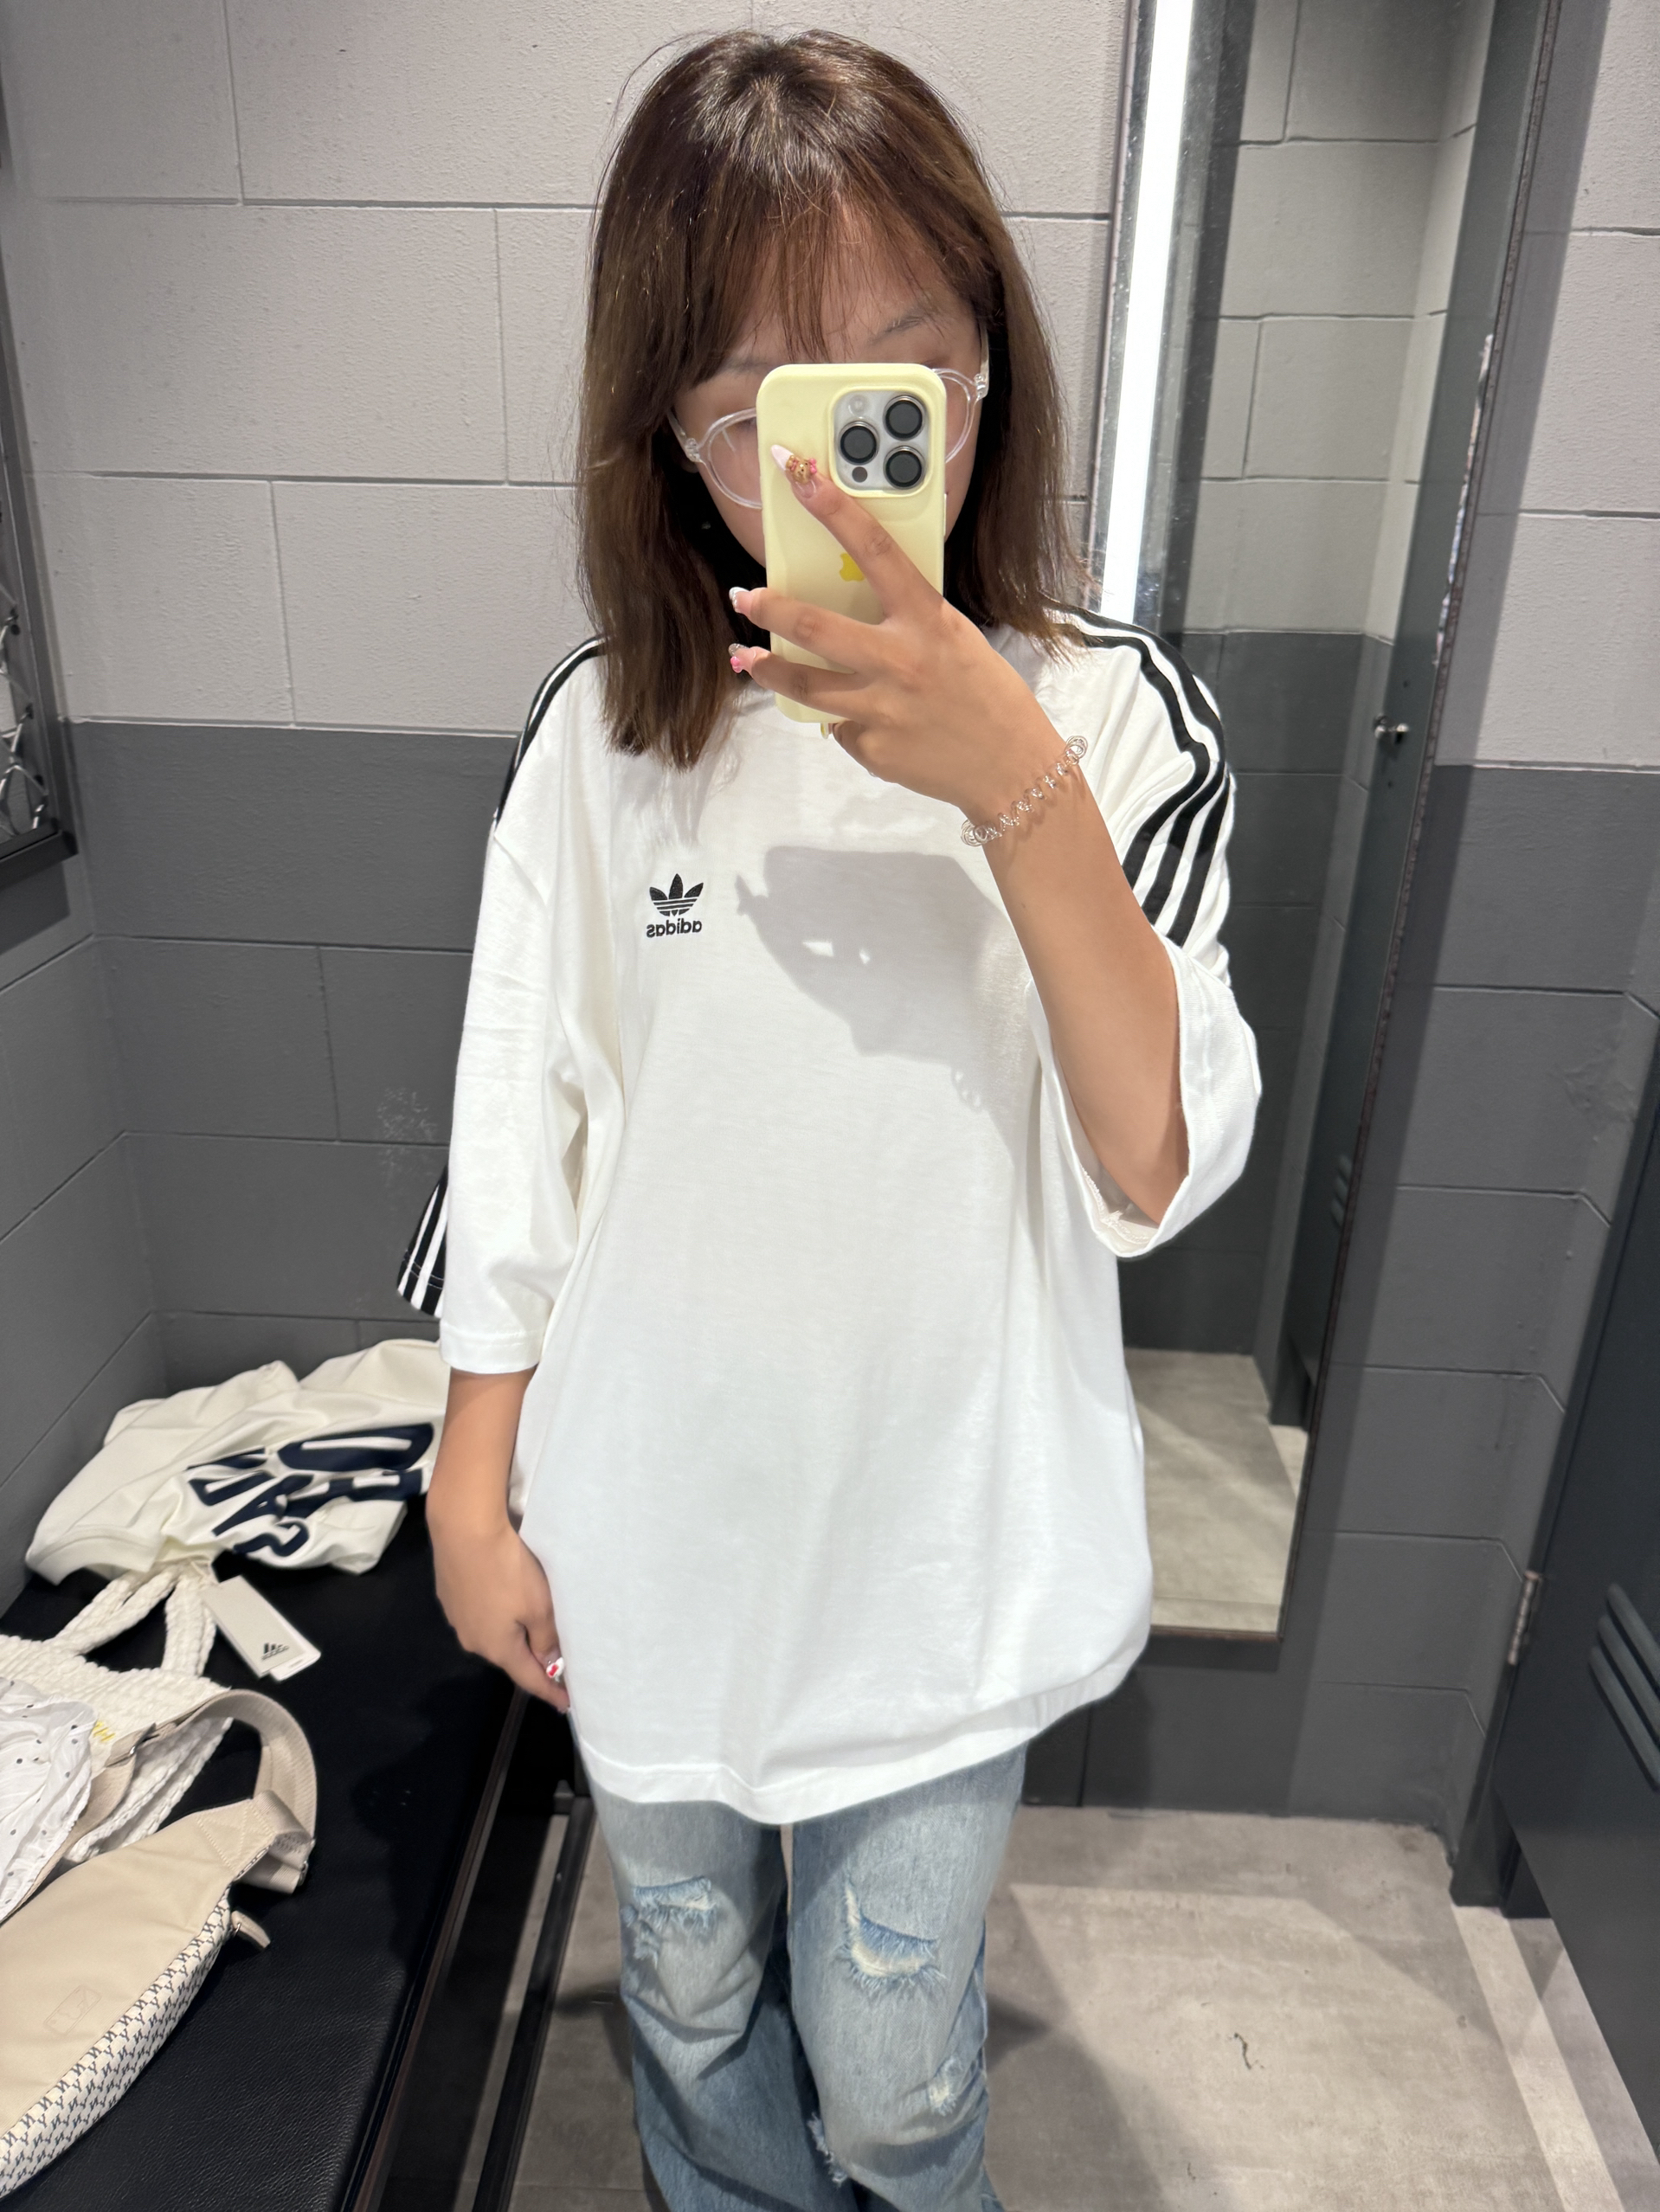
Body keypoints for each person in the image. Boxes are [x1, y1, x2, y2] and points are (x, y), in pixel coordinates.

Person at [424, 29, 1258, 2212]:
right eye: (758, 407)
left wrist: (1009, 780)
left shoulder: (1106, 718)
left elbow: (1151, 1160)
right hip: (649, 1531)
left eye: (903, 374)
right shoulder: (602, 742)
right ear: (672, 436)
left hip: (937, 1547)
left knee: (890, 2072)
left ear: (986, 362)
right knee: (690, 1993)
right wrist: (470, 1472)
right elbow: (519, 1130)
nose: (846, 453)